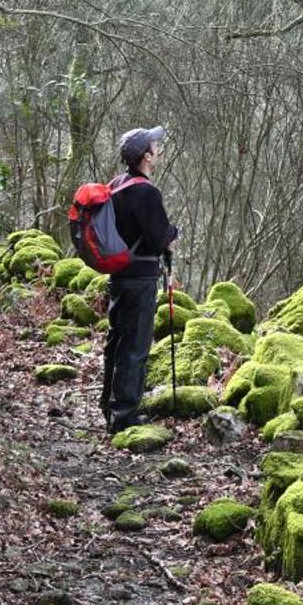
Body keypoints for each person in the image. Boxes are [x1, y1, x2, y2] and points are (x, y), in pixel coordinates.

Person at [100, 124, 178, 433]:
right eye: (155, 145)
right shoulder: (145, 191)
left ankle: (110, 406)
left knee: (117, 343)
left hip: (118, 275)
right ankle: (126, 418)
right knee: (135, 348)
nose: (158, 149)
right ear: (146, 155)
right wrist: (172, 234)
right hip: (141, 277)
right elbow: (160, 238)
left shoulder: (116, 184)